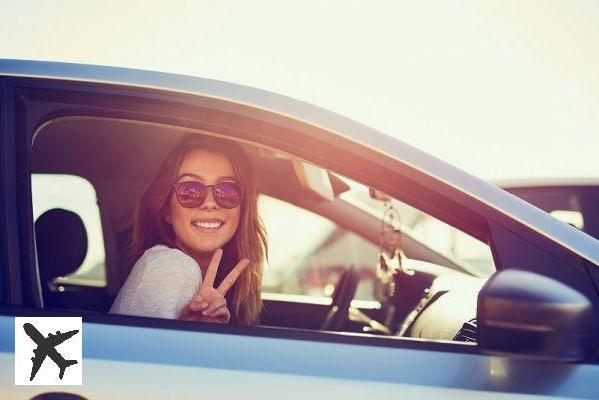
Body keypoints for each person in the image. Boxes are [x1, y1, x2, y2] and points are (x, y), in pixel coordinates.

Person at [109, 134, 267, 325]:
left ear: (243, 209)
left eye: (227, 191)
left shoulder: (229, 286)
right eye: (190, 190)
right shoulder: (173, 267)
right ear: (167, 209)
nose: (209, 203)